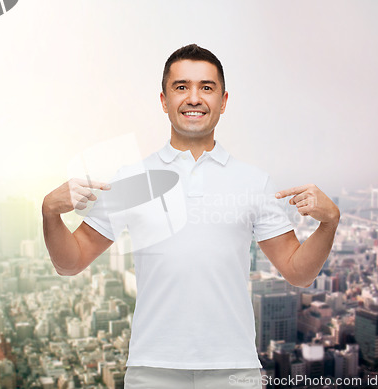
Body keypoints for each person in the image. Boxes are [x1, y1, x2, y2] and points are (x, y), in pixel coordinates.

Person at [42, 44, 340, 389]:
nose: (194, 98)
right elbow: (70, 262)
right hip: (152, 369)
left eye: (207, 87)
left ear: (224, 101)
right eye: (181, 87)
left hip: (234, 370)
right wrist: (50, 212)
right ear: (164, 100)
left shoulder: (255, 182)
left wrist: (329, 222)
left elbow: (298, 272)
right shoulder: (133, 179)